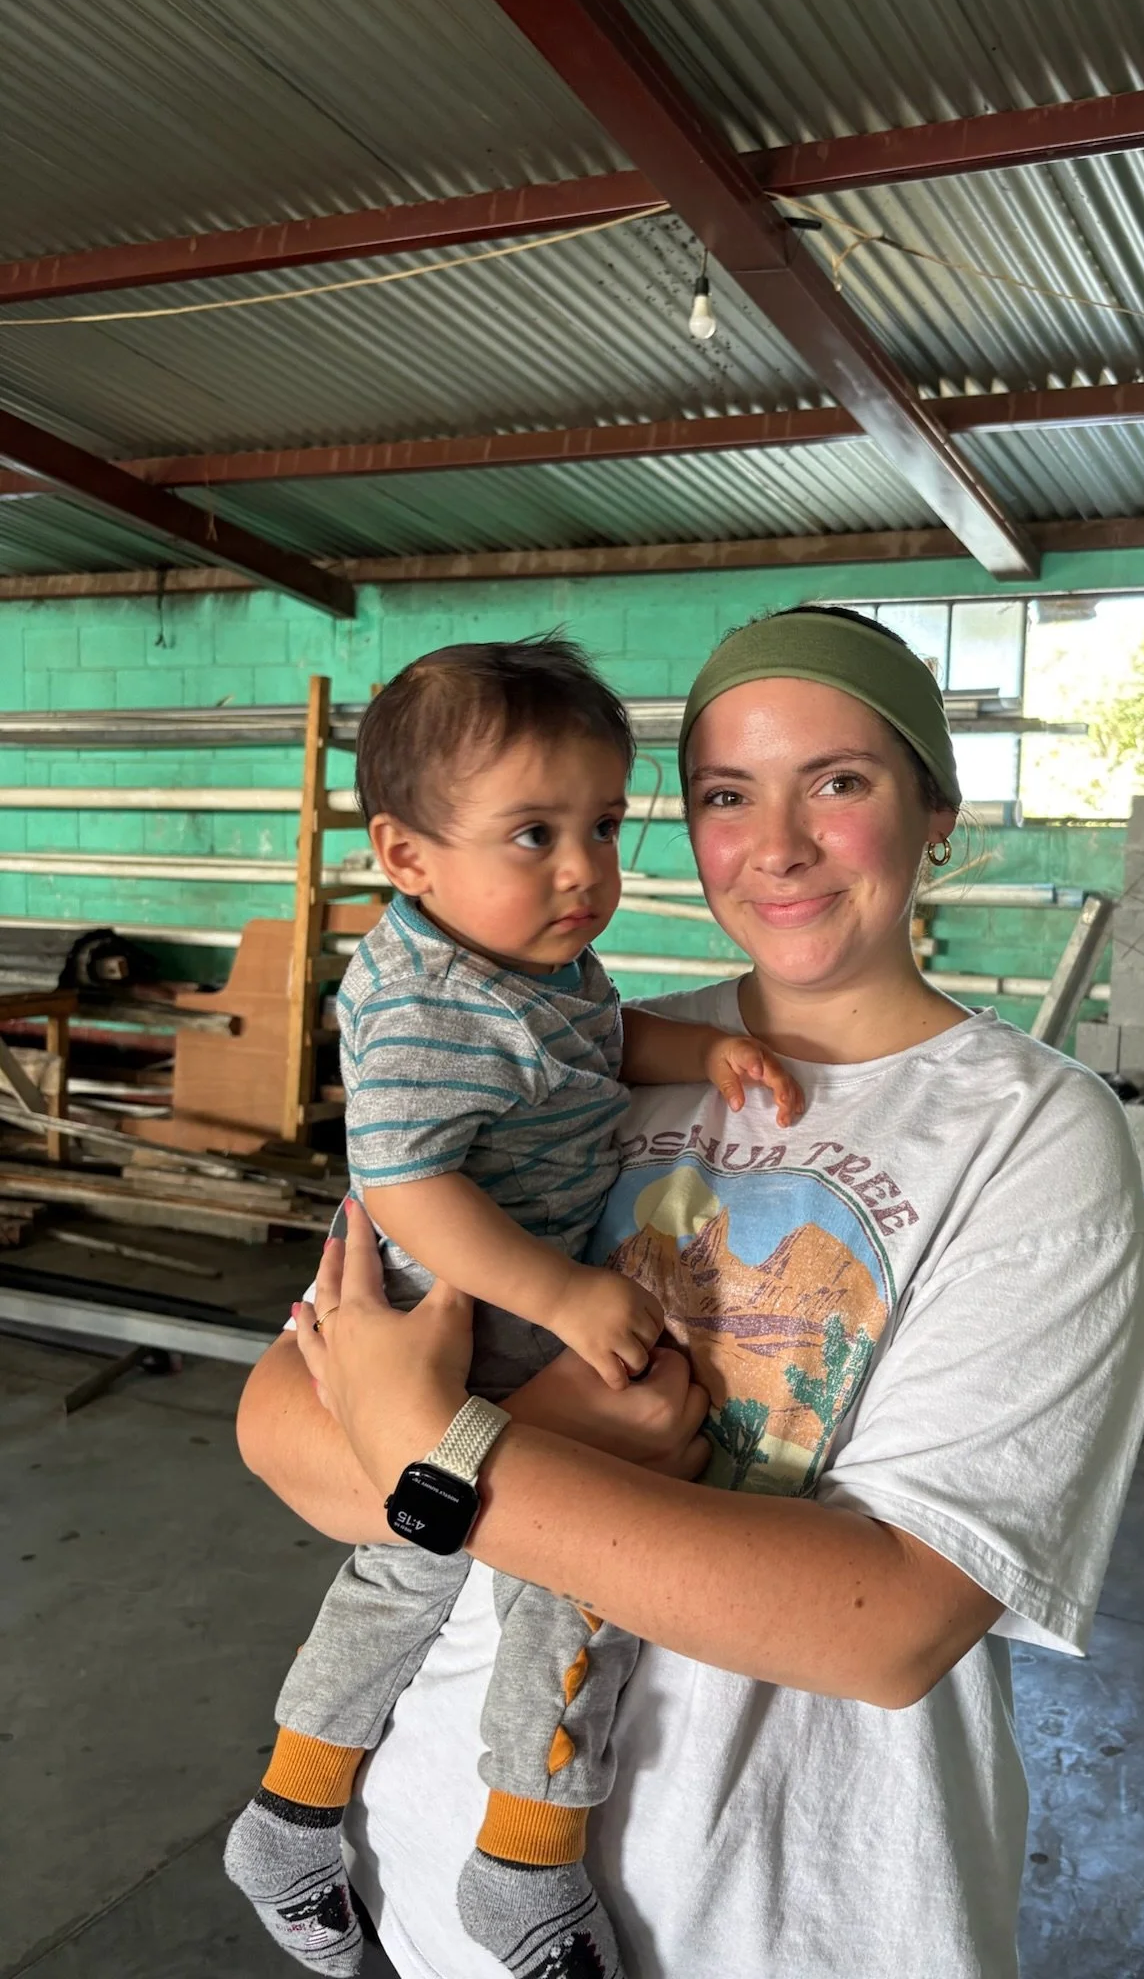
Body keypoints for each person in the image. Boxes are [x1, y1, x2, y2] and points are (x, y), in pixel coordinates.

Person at [238, 605, 1144, 1979]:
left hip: (795, 1922)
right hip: (427, 1891)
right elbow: (288, 1424)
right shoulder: (569, 1051)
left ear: (938, 810)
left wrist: (456, 1453)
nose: (776, 843)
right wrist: (471, 1441)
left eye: (838, 782)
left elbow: (895, 1624)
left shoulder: (1030, 1135)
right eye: (728, 796)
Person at [226, 639, 801, 1979]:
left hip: (486, 1332)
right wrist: (565, 1296)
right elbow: (409, 1189)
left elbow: (600, 1051)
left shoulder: (538, 973)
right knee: (579, 1567)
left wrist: (700, 1049)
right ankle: (525, 1870)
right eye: (533, 833)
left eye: (603, 826)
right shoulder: (428, 999)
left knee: (403, 1573)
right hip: (472, 1319)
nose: (583, 870)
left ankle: (294, 1809)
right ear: (405, 855)